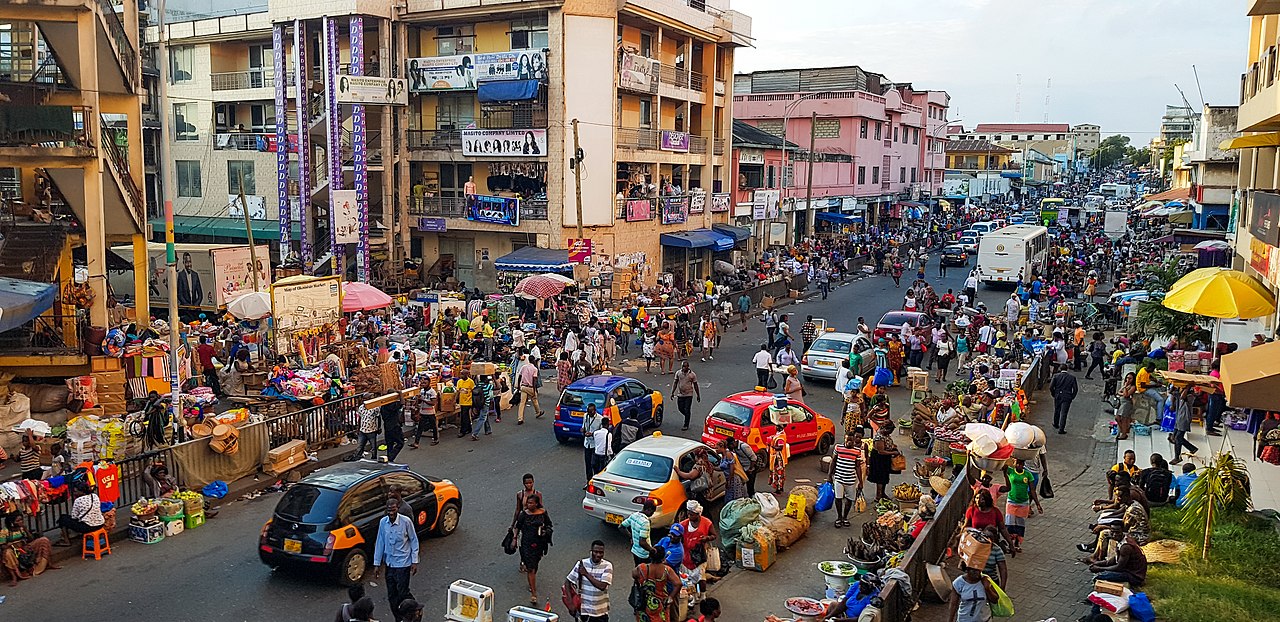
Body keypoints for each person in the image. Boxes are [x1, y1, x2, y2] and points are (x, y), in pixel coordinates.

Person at [372, 499, 419, 618]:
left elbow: (413, 540)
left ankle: (415, 611)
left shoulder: (406, 522)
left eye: (393, 510)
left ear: (398, 508)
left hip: (403, 563)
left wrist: (414, 561)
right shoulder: (383, 522)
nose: (391, 513)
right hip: (390, 564)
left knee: (403, 593)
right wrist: (377, 563)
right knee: (392, 595)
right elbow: (380, 542)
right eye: (389, 510)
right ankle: (399, 618)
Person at [513, 495, 553, 605]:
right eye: (528, 503)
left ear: (536, 503)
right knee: (530, 568)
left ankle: (532, 582)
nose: (529, 505)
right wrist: (514, 538)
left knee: (535, 566)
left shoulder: (543, 513)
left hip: (540, 544)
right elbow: (518, 526)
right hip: (527, 544)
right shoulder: (524, 514)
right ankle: (534, 593)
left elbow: (549, 525)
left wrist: (546, 531)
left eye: (531, 503)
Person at [1, 514, 58, 586]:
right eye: (18, 521)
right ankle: (15, 577)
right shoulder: (5, 531)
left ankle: (48, 563)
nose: (21, 522)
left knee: (44, 540)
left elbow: (30, 539)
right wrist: (9, 545)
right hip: (13, 550)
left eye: (21, 520)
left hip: (24, 548)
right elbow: (2, 546)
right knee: (7, 553)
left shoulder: (21, 528)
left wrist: (26, 530)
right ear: (12, 523)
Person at [565, 540, 613, 622]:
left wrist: (586, 574)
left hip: (601, 612)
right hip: (584, 612)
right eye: (596, 552)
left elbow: (602, 586)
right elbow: (568, 582)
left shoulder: (607, 566)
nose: (598, 555)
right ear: (591, 552)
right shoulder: (582, 564)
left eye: (601, 552)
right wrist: (570, 604)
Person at [829, 430, 866, 528]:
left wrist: (861, 481)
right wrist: (829, 475)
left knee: (849, 500)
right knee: (838, 498)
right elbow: (833, 461)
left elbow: (857, 467)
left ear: (854, 440)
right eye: (848, 440)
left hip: (851, 480)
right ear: (845, 439)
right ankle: (839, 517)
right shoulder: (838, 448)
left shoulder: (857, 451)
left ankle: (845, 517)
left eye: (851, 440)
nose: (849, 442)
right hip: (839, 478)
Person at [632, 546, 680, 622]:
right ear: (663, 557)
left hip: (644, 602)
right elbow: (678, 584)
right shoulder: (666, 570)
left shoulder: (642, 568)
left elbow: (634, 574)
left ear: (650, 556)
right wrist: (670, 597)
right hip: (661, 603)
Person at [1003, 458, 1041, 553]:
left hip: (1023, 503)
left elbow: (1032, 490)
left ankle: (1017, 543)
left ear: (1024, 464)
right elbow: (1002, 465)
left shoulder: (1028, 475)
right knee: (1009, 524)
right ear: (1014, 463)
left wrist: (1037, 504)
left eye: (1021, 464)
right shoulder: (1010, 471)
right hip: (1011, 501)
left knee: (1020, 525)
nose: (1019, 465)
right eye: (1017, 463)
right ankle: (1010, 543)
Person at [679, 500, 717, 593]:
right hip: (686, 557)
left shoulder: (707, 523)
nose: (689, 517)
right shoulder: (683, 524)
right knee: (688, 579)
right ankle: (693, 596)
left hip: (700, 556)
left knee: (701, 577)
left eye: (692, 515)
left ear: (697, 514)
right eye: (688, 514)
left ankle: (703, 595)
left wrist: (707, 538)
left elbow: (714, 535)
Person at [54, 482, 104, 547]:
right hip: (100, 524)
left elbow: (74, 516)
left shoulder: (78, 500)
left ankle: (66, 541)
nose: (74, 493)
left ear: (82, 492)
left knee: (63, 519)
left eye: (76, 491)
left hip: (89, 527)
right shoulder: (94, 496)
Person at [867, 421, 901, 501]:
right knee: (880, 478)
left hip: (885, 458)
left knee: (885, 477)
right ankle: (878, 496)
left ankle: (883, 493)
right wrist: (893, 452)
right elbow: (881, 451)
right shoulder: (879, 437)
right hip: (879, 459)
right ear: (885, 429)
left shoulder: (885, 434)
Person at [621, 500, 658, 566]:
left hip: (635, 550)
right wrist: (652, 550)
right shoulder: (645, 522)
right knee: (645, 573)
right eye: (652, 512)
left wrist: (631, 537)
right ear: (648, 509)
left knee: (637, 569)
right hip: (643, 554)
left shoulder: (634, 515)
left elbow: (621, 527)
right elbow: (642, 542)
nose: (652, 514)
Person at [1170, 386, 1199, 465]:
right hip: (1178, 417)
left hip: (1184, 418)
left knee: (1178, 438)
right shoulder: (1180, 393)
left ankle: (1177, 457)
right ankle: (1192, 448)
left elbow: (1183, 397)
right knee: (1174, 437)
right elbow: (1171, 392)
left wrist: (1187, 386)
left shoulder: (1190, 396)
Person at [672, 361, 701, 431]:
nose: (684, 368)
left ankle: (686, 424)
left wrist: (698, 395)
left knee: (687, 409)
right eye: (683, 366)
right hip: (680, 394)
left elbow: (695, 385)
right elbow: (675, 383)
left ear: (688, 367)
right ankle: (687, 416)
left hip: (689, 394)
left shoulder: (692, 375)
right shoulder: (678, 373)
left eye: (686, 367)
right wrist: (672, 392)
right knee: (680, 408)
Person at [1049, 367, 1078, 434]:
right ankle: (1061, 429)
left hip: (1058, 395)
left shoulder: (1056, 376)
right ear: (1067, 369)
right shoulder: (1072, 377)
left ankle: (1056, 423)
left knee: (1057, 410)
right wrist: (1072, 396)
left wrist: (1054, 394)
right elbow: (1075, 389)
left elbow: (1051, 387)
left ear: (1060, 369)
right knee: (1064, 413)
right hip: (1067, 396)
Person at [516, 355, 544, 424]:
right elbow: (534, 380)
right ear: (533, 360)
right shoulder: (534, 369)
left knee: (522, 403)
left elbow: (519, 377)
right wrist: (534, 390)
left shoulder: (524, 367)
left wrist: (519, 386)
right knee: (534, 399)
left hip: (523, 386)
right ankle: (538, 412)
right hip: (530, 387)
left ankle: (520, 418)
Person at [411, 383, 438, 448]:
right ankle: (416, 443)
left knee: (433, 426)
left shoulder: (432, 392)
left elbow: (433, 403)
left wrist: (423, 400)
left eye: (425, 383)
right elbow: (420, 402)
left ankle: (436, 439)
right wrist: (418, 400)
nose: (423, 384)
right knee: (420, 428)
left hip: (430, 412)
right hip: (423, 412)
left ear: (428, 383)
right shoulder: (422, 391)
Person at [582, 403, 605, 480]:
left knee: (595, 464)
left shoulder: (600, 419)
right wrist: (583, 431)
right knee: (588, 464)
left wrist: (592, 434)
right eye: (588, 412)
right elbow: (584, 426)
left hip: (595, 445)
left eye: (591, 412)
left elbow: (601, 433)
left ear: (595, 411)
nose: (589, 414)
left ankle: (595, 479)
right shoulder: (585, 416)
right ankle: (588, 481)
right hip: (587, 443)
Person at [1115, 372, 1136, 440]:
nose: (1128, 380)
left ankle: (1124, 434)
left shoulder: (1133, 387)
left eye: (1130, 378)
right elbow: (1119, 392)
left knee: (1124, 418)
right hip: (1122, 403)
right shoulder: (1126, 385)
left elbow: (1126, 394)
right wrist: (1124, 387)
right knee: (1117, 418)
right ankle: (1124, 430)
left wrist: (1125, 389)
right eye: (1127, 378)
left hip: (1127, 404)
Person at [455, 369, 476, 437]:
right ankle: (469, 428)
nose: (461, 375)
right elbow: (458, 391)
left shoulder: (470, 382)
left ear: (467, 374)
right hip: (462, 402)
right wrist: (455, 400)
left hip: (468, 402)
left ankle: (462, 431)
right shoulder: (459, 381)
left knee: (463, 416)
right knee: (466, 416)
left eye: (462, 374)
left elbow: (474, 391)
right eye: (461, 374)